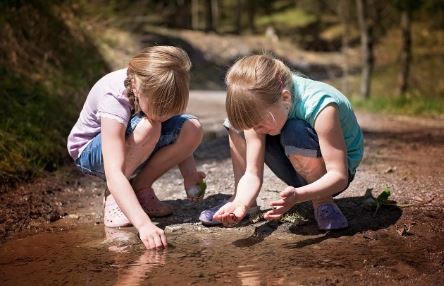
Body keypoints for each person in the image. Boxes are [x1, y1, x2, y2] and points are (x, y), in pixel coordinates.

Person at [200, 54, 364, 230]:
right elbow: (252, 173)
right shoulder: (266, 108)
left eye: (260, 124)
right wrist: (241, 202)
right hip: (295, 168)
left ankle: (323, 202)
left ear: (285, 98)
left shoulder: (320, 105)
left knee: (295, 130)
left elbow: (339, 177)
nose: (256, 131)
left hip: (330, 178)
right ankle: (243, 199)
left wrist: (299, 196)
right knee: (237, 125)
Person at [67, 46, 206, 249]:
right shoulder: (114, 98)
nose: (166, 116)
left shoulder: (155, 88)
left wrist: (190, 174)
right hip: (91, 153)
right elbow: (113, 171)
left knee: (191, 127)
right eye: (161, 110)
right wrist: (144, 225)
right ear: (135, 86)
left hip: (136, 143)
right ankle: (114, 197)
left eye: (171, 112)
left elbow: (176, 132)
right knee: (150, 126)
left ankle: (140, 188)